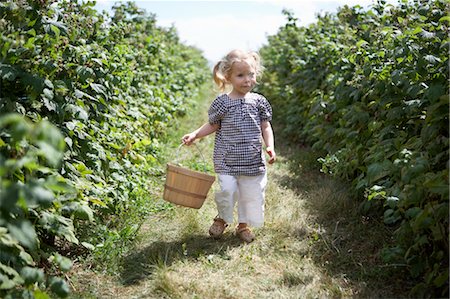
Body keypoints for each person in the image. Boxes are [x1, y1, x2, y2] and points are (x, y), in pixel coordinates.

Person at [182, 49, 276, 243]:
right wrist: (195, 135)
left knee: (250, 193)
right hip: (227, 159)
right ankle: (222, 218)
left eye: (251, 74)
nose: (247, 80)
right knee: (227, 190)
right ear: (228, 77)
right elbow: (213, 125)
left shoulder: (259, 101)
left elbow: (265, 125)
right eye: (241, 75)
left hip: (252, 159)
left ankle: (243, 225)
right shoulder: (223, 103)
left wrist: (270, 146)